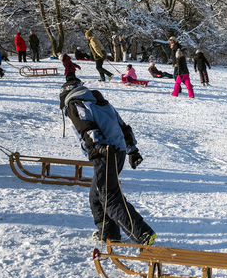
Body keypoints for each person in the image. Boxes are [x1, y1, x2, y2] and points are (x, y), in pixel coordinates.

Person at [59, 77, 156, 245]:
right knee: (96, 196)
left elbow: (86, 128)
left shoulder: (76, 104)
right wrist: (132, 150)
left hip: (105, 153)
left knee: (109, 197)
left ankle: (143, 234)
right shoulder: (100, 102)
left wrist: (100, 146)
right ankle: (109, 233)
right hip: (117, 151)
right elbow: (123, 126)